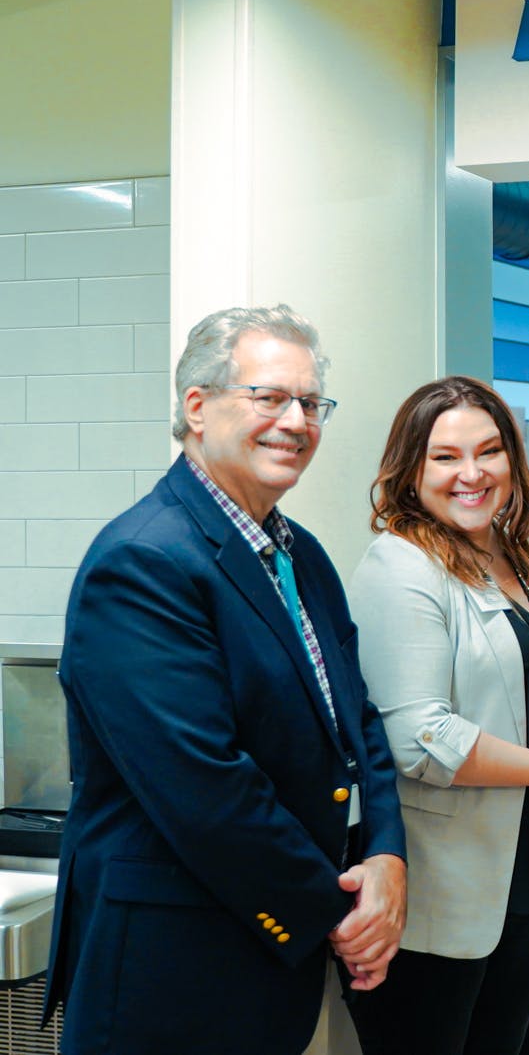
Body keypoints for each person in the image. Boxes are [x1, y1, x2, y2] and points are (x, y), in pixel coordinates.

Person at [46, 305, 408, 1055]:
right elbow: (202, 785)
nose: (297, 421)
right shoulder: (143, 561)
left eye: (311, 403)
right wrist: (333, 911)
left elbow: (356, 722)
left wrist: (385, 855)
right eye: (269, 397)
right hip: (172, 967)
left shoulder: (297, 551)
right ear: (198, 407)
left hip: (267, 953)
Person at [344, 377, 529, 1055]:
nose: (471, 473)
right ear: (410, 470)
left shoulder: (525, 555)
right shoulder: (400, 566)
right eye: (445, 456)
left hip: (524, 874)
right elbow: (418, 737)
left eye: (489, 451)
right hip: (441, 887)